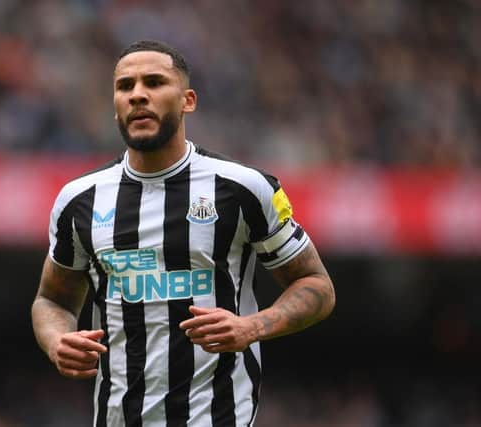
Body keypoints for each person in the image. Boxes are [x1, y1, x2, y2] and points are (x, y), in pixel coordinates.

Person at [32, 40, 335, 426]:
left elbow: (317, 286)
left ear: (187, 100)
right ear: (114, 106)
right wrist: (57, 340)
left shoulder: (244, 189)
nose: (138, 95)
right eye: (125, 87)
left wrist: (251, 327)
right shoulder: (79, 200)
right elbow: (51, 300)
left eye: (155, 82)